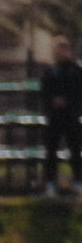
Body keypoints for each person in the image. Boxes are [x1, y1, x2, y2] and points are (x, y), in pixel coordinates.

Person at [40, 36, 82, 195]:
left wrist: (68, 102)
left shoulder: (76, 70)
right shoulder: (50, 71)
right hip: (55, 117)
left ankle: (78, 181)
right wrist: (53, 102)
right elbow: (45, 93)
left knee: (75, 150)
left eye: (66, 47)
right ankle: (50, 183)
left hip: (71, 116)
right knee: (51, 151)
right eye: (60, 48)